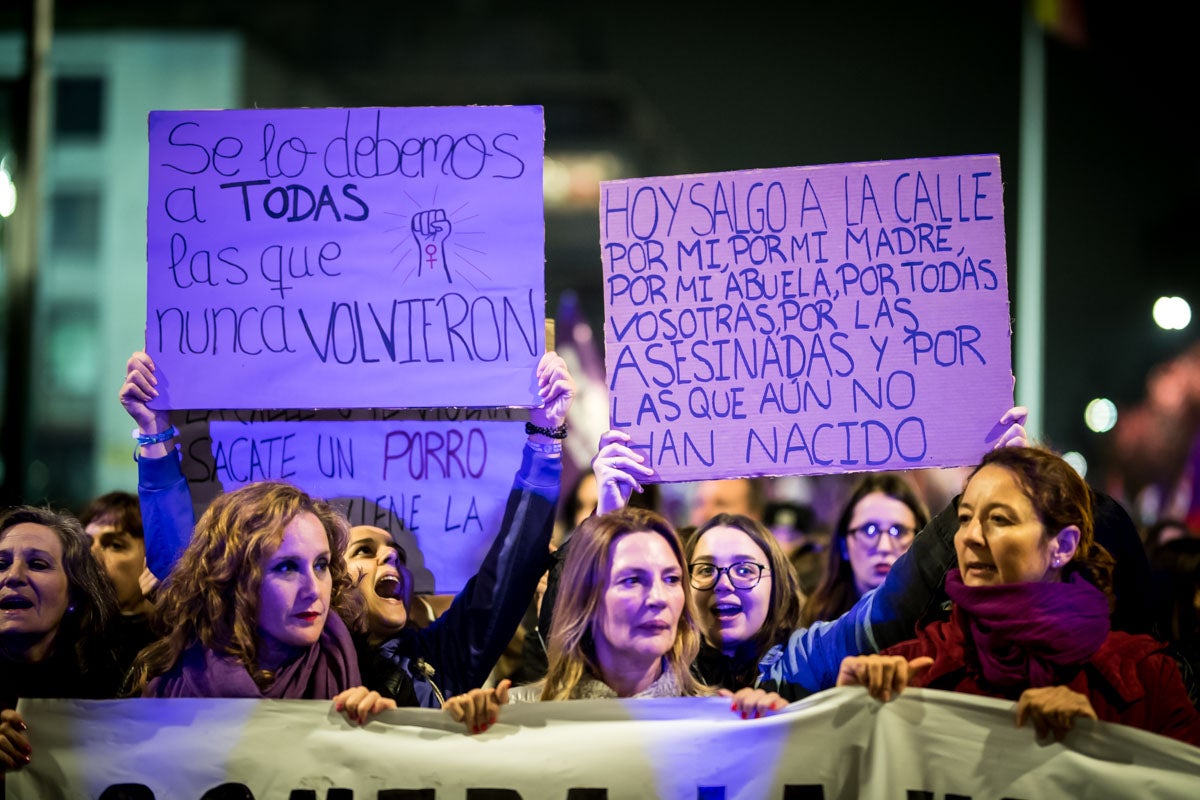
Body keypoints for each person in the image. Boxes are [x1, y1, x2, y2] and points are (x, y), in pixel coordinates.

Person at [119, 349, 574, 707]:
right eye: (363, 552)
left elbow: (507, 576)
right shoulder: (206, 652)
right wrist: (154, 433)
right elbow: (184, 567)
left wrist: (546, 440)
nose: (389, 557)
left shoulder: (431, 664)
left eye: (320, 564)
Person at [574, 408, 1030, 712]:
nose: (724, 584)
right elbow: (578, 616)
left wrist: (982, 487)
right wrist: (609, 517)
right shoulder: (646, 667)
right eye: (706, 570)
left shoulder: (799, 662)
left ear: (779, 588)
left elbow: (894, 604)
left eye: (746, 570)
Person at [837, 447, 1200, 746]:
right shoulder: (914, 664)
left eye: (999, 519)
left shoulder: (1148, 677)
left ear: (1063, 545)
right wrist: (849, 709)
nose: (970, 537)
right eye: (964, 518)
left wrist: (1104, 746)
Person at [442, 507, 711, 731]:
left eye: (672, 579)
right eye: (632, 580)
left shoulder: (716, 718)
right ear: (585, 599)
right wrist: (465, 733)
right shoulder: (516, 716)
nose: (659, 598)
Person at [125, 481, 379, 711]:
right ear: (234, 578)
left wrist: (377, 733)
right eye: (287, 567)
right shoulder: (165, 693)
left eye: (321, 565)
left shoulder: (364, 671)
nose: (313, 589)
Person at [1, 507, 121, 775]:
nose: (13, 576)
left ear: (74, 595)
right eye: (1, 564)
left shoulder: (116, 678)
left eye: (38, 564)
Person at [799, 474, 929, 626]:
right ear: (843, 545)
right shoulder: (809, 627)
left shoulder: (941, 628)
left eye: (898, 531)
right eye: (869, 530)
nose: (884, 547)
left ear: (921, 541)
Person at [78, 491, 158, 671]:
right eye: (86, 543)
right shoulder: (64, 643)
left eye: (115, 545)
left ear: (150, 561)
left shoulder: (175, 647)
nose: (92, 555)